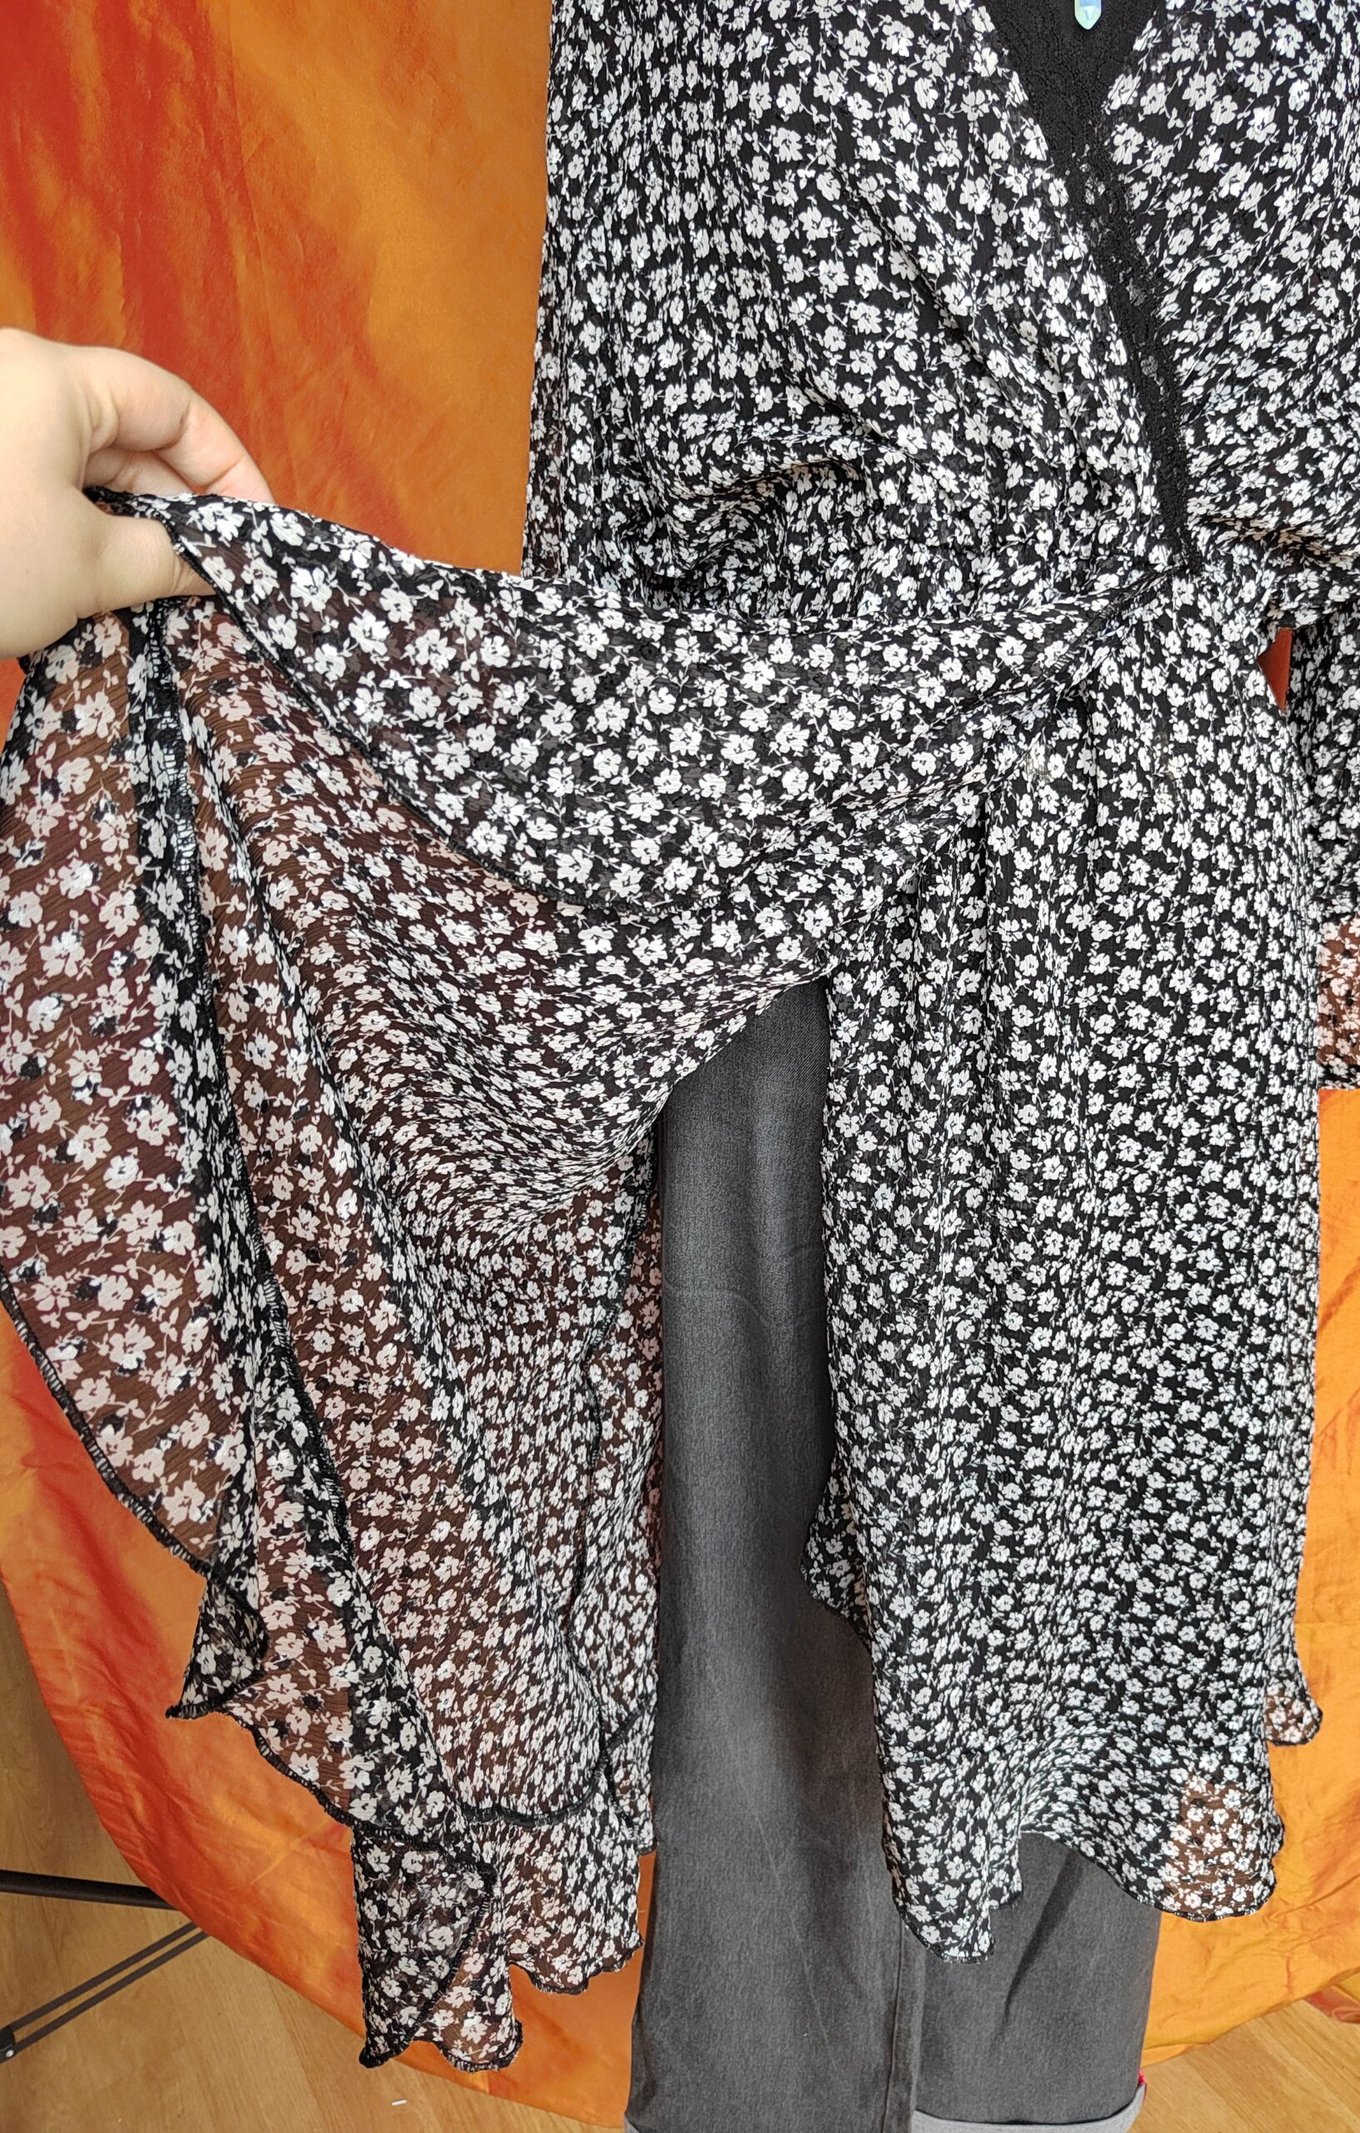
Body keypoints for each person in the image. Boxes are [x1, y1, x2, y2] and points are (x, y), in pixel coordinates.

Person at [0, 325, 1161, 2133]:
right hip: (808, 853)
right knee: (785, 1613)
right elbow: (611, 514)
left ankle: (1022, 2093)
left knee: (1080, 1599)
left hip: (1111, 878)